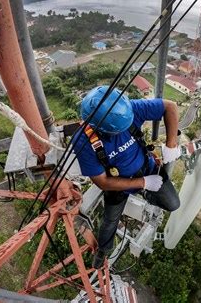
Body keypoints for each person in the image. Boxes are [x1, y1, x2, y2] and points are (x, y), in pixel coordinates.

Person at [73, 85, 181, 269]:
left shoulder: (126, 110)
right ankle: (104, 250)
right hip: (118, 185)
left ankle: (146, 192)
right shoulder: (84, 141)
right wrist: (143, 183)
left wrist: (171, 144)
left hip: (146, 168)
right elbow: (102, 182)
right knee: (109, 222)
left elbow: (170, 106)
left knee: (173, 204)